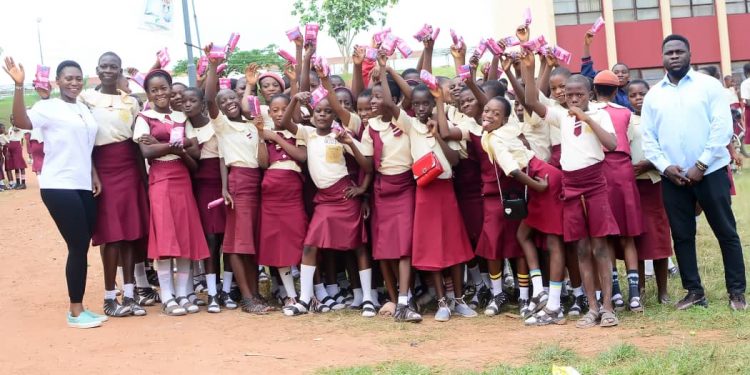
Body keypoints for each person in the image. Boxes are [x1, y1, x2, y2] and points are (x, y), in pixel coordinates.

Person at [641, 34, 747, 311]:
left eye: (679, 51)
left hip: (710, 172)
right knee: (682, 235)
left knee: (726, 232)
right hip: (672, 177)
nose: (674, 56)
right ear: (662, 58)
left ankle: (736, 292)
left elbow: (722, 127)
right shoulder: (654, 95)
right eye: (669, 53)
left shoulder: (709, 86)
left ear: (690, 54)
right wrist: (666, 167)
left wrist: (700, 165)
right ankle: (694, 291)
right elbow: (648, 139)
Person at [522, 50, 621, 328]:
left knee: (600, 246)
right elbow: (530, 101)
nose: (573, 98)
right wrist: (529, 68)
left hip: (595, 183)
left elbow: (612, 144)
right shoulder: (560, 116)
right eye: (569, 94)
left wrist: (587, 119)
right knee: (581, 248)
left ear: (589, 94)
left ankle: (608, 306)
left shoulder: (600, 114)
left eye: (579, 94)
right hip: (571, 185)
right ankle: (591, 307)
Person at [4, 57, 103, 328]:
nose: (73, 82)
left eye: (77, 78)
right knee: (78, 245)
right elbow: (22, 121)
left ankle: (80, 307)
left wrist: (93, 175)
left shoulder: (83, 108)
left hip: (83, 183)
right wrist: (19, 86)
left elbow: (87, 147)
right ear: (57, 81)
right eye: (68, 78)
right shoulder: (47, 107)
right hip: (58, 184)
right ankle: (75, 311)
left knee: (84, 242)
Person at [133, 69, 210, 316]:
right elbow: (146, 153)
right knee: (166, 237)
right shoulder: (144, 117)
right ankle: (167, 296)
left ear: (170, 88)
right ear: (148, 93)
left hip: (182, 178)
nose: (160, 93)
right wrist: (177, 146)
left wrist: (162, 146)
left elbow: (195, 149)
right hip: (161, 178)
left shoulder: (180, 116)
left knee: (184, 235)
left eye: (163, 88)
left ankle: (183, 293)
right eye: (154, 90)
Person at [80, 52, 150, 317]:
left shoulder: (130, 101)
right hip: (103, 168)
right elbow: (84, 141)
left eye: (114, 67)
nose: (109, 70)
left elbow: (136, 142)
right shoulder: (86, 99)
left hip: (129, 168)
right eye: (104, 66)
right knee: (111, 235)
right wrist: (93, 173)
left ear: (120, 71)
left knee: (131, 234)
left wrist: (143, 180)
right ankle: (110, 297)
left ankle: (130, 294)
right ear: (98, 69)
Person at [204, 50, 274, 314]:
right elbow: (210, 97)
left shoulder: (251, 124)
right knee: (237, 242)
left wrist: (251, 85)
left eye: (233, 97)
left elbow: (263, 161)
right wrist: (213, 66)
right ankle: (247, 298)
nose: (229, 102)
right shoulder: (221, 125)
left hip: (258, 182)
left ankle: (255, 293)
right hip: (240, 183)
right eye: (224, 101)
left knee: (252, 241)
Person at [592, 70, 644, 313]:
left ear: (594, 90)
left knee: (608, 235)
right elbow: (631, 142)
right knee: (628, 234)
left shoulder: (590, 112)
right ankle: (635, 295)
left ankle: (616, 292)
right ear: (616, 91)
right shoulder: (626, 113)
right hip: (624, 172)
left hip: (600, 172)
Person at [627, 79, 672, 304]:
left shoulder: (659, 119)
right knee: (638, 237)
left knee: (659, 237)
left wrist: (650, 164)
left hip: (656, 184)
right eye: (633, 95)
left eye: (642, 93)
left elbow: (670, 150)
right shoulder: (626, 120)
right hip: (634, 186)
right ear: (627, 98)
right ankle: (640, 290)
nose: (638, 98)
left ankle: (663, 291)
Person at [182, 87, 225, 313]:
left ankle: (227, 288)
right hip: (197, 186)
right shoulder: (182, 126)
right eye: (184, 101)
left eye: (193, 101)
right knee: (209, 239)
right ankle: (212, 292)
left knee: (225, 239)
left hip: (220, 183)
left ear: (203, 104)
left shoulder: (215, 125)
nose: (187, 104)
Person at [581, 30, 633, 111]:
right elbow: (587, 75)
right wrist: (586, 46)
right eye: (616, 72)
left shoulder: (635, 90)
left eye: (624, 72)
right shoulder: (606, 88)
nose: (620, 74)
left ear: (629, 76)